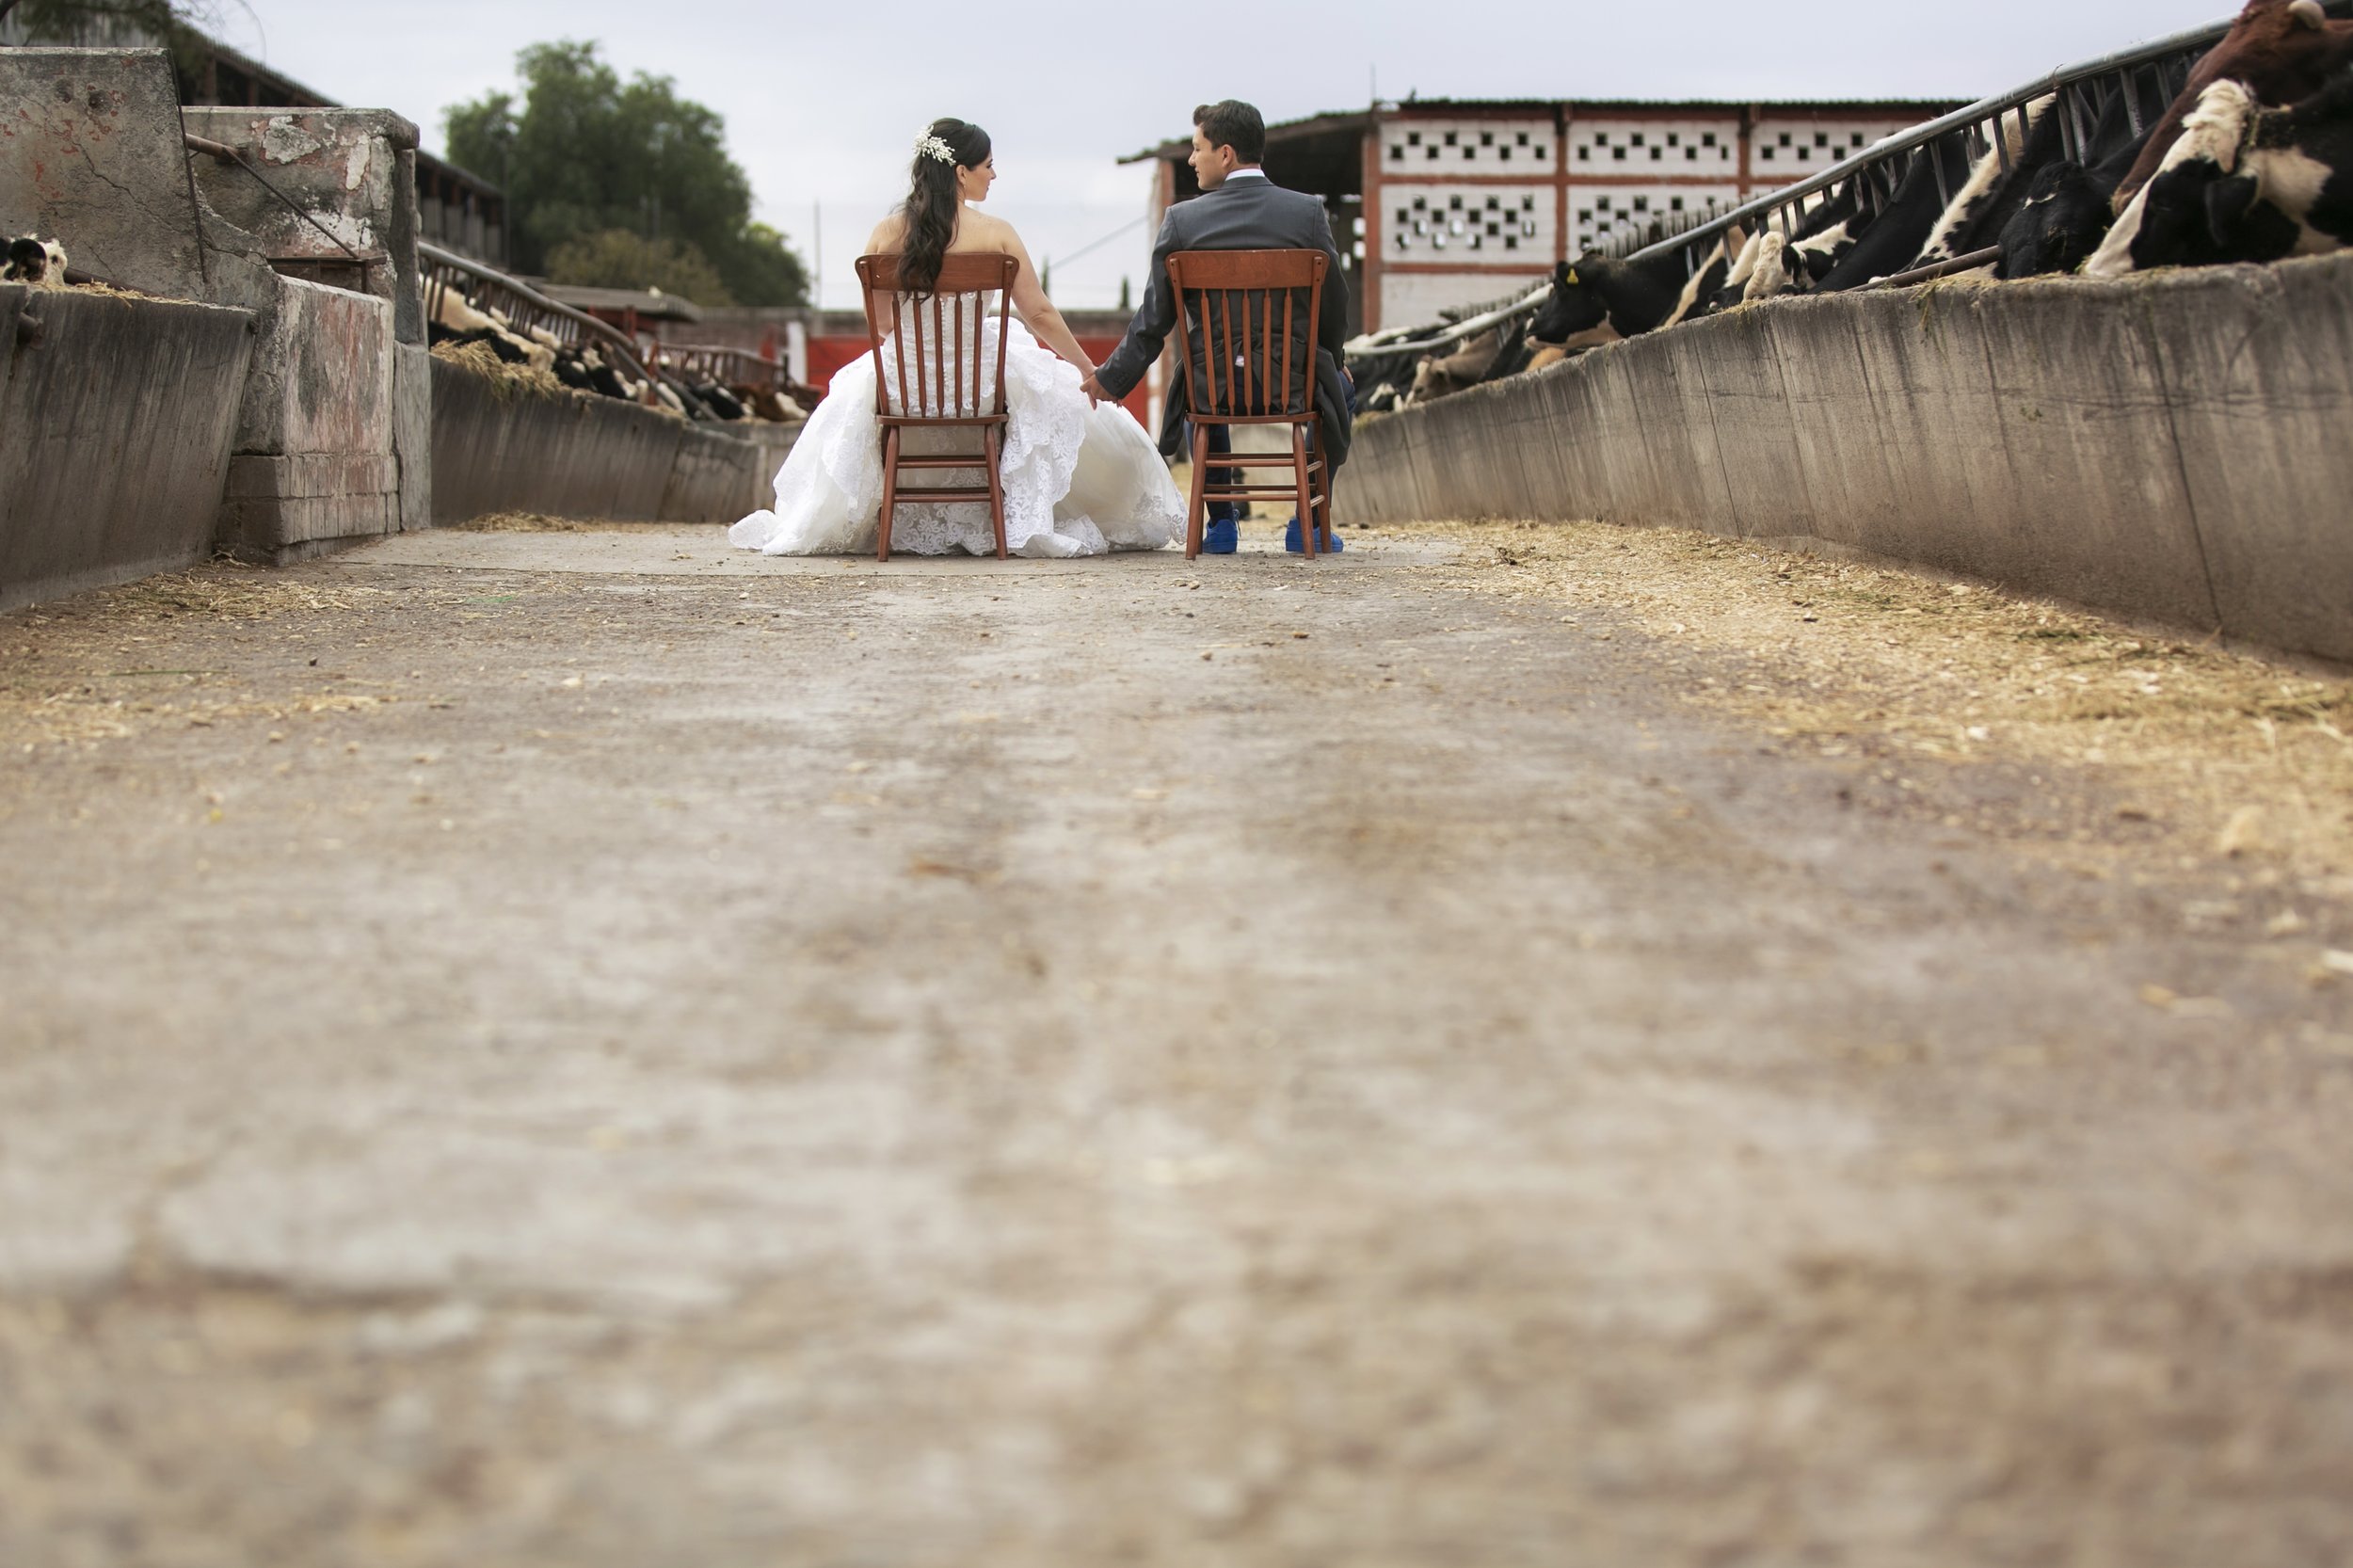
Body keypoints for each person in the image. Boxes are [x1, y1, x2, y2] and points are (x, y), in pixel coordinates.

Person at [731, 119, 1183, 558]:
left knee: (862, 390)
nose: (994, 174)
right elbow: (1039, 314)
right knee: (1048, 392)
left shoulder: (886, 233)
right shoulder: (996, 233)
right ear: (961, 172)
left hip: (904, 391)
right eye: (988, 164)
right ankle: (1010, 513)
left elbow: (883, 325)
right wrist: (1088, 368)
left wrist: (925, 350)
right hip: (979, 391)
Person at [1085, 101, 1354, 555]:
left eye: (1198, 148)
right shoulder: (1307, 213)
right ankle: (1308, 522)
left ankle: (1223, 523)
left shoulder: (1182, 221)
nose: (1192, 159)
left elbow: (1154, 319)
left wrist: (1111, 379)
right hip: (1293, 382)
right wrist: (1331, 362)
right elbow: (1336, 302)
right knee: (1340, 391)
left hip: (1215, 386)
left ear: (1225, 154)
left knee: (1201, 382)